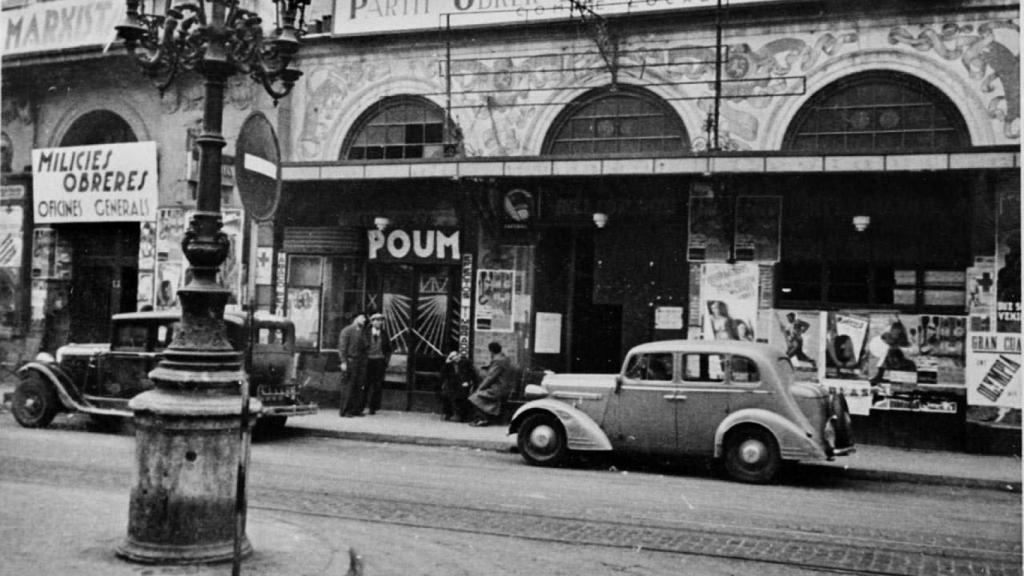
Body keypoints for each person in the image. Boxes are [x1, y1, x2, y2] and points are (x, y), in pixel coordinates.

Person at [467, 342, 515, 427]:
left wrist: (480, 388)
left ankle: (483, 419)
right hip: (506, 387)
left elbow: (491, 377)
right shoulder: (505, 358)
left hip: (499, 388)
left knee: (475, 396)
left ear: (491, 351)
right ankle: (486, 418)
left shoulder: (498, 360)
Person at [338, 312, 368, 417]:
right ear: (356, 318)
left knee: (358, 386)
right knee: (348, 387)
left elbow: (365, 347)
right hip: (350, 361)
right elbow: (342, 348)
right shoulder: (347, 331)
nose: (364, 320)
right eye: (362, 317)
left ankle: (355, 410)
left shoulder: (362, 332)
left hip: (360, 363)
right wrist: (343, 362)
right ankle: (345, 411)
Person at [363, 312, 392, 416]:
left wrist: (386, 361)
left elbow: (389, 349)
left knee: (377, 385)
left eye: (381, 320)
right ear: (372, 321)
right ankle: (361, 406)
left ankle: (373, 407)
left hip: (379, 361)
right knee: (365, 384)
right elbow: (362, 347)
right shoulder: (365, 333)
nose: (379, 322)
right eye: (376, 320)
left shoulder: (384, 334)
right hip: (368, 361)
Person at [440, 351, 478, 422]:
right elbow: (443, 375)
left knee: (461, 394)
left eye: (455, 356)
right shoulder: (450, 364)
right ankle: (448, 414)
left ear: (459, 355)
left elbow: (472, 374)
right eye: (452, 357)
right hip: (453, 384)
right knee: (446, 394)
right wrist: (446, 363)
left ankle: (462, 416)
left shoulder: (466, 362)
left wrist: (468, 382)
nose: (454, 358)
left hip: (464, 383)